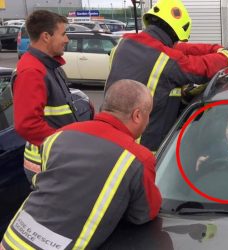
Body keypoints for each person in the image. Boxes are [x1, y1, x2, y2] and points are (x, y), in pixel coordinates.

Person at [1, 79, 162, 250]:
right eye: (148, 115)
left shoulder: (59, 135)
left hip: (12, 239)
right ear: (137, 115)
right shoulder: (136, 158)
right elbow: (143, 213)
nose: (148, 122)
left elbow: (54, 185)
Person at [105, 0, 228, 152]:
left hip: (110, 137)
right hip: (142, 147)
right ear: (176, 32)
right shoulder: (165, 59)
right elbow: (202, 68)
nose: (178, 43)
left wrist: (215, 49)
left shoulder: (122, 45)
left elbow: (181, 50)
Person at [12, 10, 82, 183]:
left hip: (54, 159)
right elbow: (27, 124)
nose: (67, 39)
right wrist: (65, 144)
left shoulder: (47, 65)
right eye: (63, 34)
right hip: (48, 163)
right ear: (46, 36)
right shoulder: (32, 71)